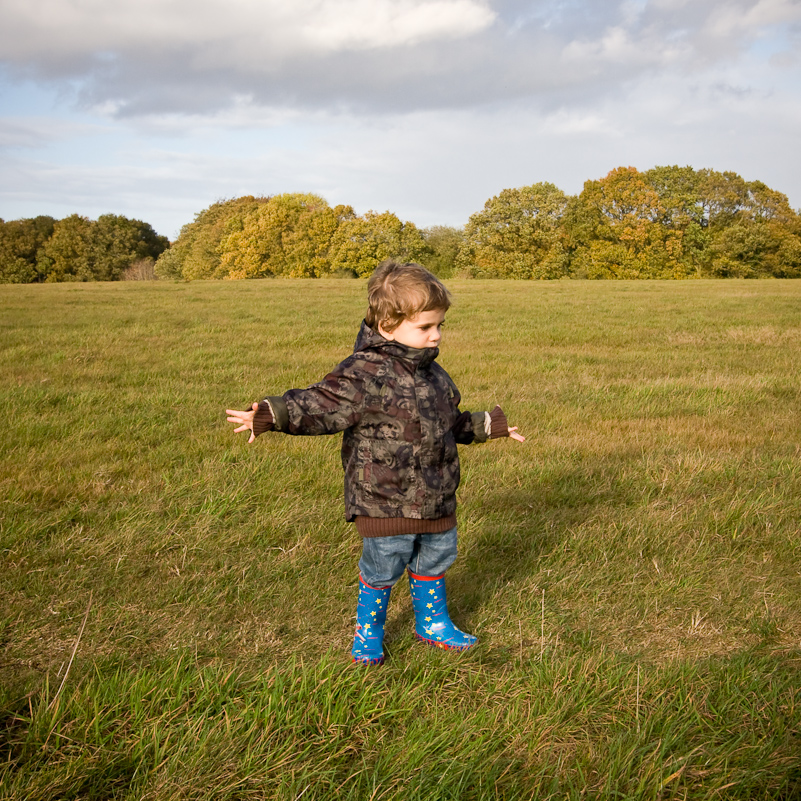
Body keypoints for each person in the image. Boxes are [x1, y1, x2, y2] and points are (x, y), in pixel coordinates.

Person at [226, 260, 524, 666]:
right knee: (384, 565)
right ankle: (370, 631)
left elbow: (449, 422)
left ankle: (432, 623)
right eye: (425, 327)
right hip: (383, 498)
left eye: (440, 326)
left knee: (436, 557)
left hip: (436, 495)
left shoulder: (436, 374)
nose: (436, 335)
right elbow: (319, 405)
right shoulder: (364, 373)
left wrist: (489, 426)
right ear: (388, 326)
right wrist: (270, 414)